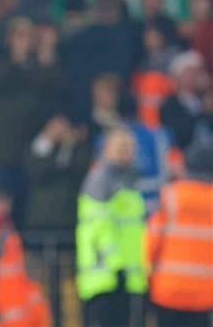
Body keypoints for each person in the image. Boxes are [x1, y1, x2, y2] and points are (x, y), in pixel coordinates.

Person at [76, 128, 148, 327]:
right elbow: (98, 225)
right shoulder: (101, 179)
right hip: (105, 274)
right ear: (107, 149)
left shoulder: (130, 179)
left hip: (125, 274)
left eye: (130, 148)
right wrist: (116, 263)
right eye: (122, 147)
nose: (127, 152)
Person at [146, 143, 213, 327]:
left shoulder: (171, 196)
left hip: (168, 290)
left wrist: (147, 277)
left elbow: (152, 242)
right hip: (205, 295)